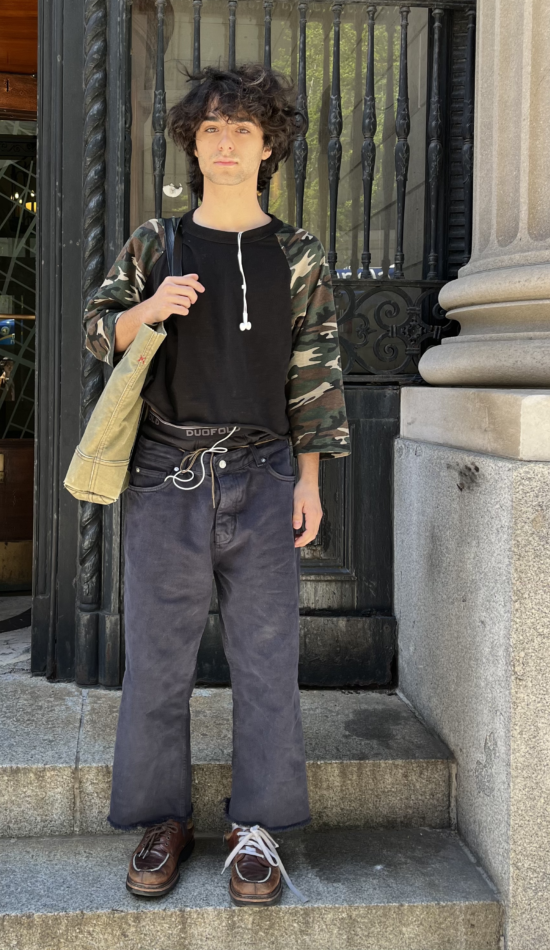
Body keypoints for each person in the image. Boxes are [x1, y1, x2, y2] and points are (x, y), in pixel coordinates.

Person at [83, 64, 350, 906]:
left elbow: (316, 369)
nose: (225, 143)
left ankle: (256, 829)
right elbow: (97, 330)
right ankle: (163, 820)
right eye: (210, 130)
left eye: (242, 130)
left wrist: (311, 479)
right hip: (167, 473)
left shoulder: (299, 254)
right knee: (158, 660)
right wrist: (148, 307)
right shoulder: (156, 244)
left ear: (269, 146)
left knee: (267, 660)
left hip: (267, 474)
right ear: (192, 145)